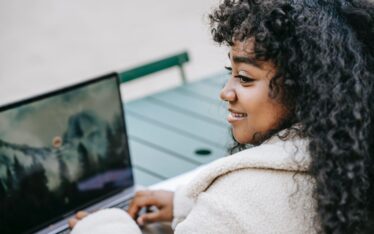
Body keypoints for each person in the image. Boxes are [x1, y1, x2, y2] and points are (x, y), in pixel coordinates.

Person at [69, 0, 374, 233]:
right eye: (231, 73)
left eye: (245, 77)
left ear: (305, 86)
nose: (226, 92)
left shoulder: (235, 205)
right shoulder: (351, 155)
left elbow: (244, 212)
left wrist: (105, 224)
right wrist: (186, 204)